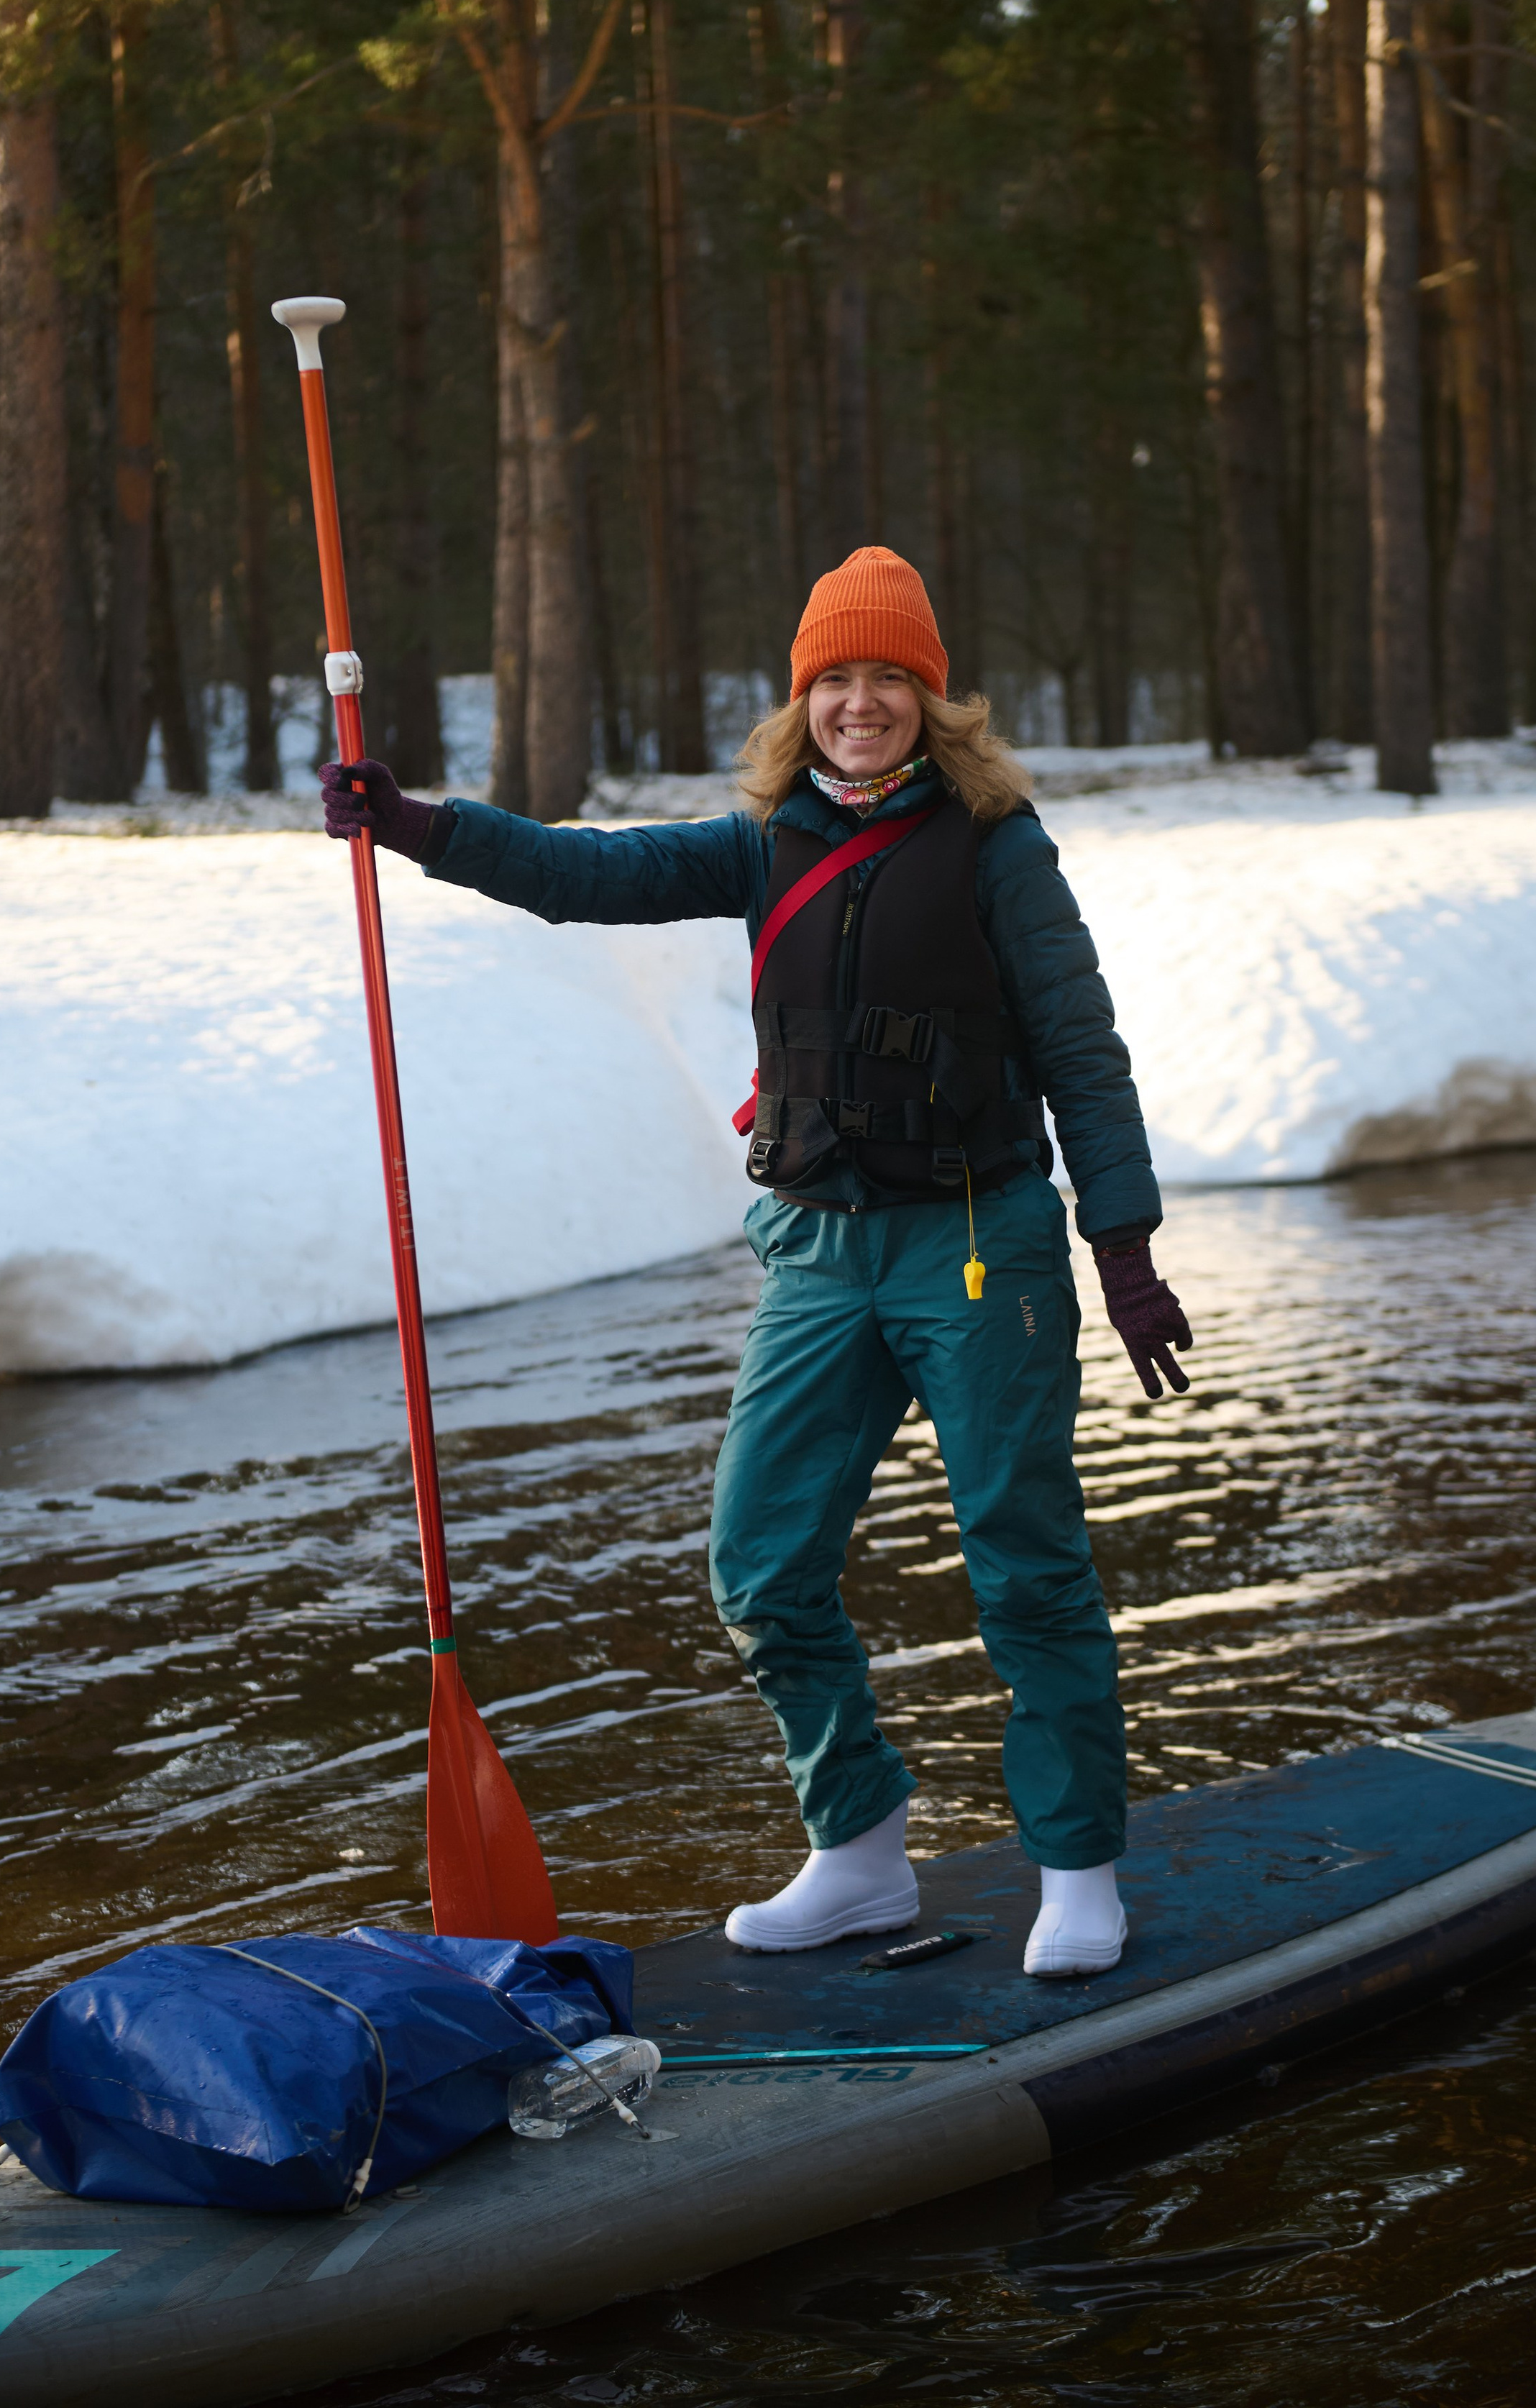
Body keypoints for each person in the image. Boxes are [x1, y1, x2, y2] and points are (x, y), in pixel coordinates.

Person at [321, 546, 1192, 1978]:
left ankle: (1076, 1868)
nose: (861, 704)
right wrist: (418, 824)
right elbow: (574, 873)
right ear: (803, 703)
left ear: (930, 698)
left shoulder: (997, 845)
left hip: (978, 1251)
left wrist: (1124, 1244)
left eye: (887, 680)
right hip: (814, 1255)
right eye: (835, 681)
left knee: (1022, 1566)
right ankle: (855, 1851)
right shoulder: (758, 839)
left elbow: (1080, 1056)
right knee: (758, 1564)